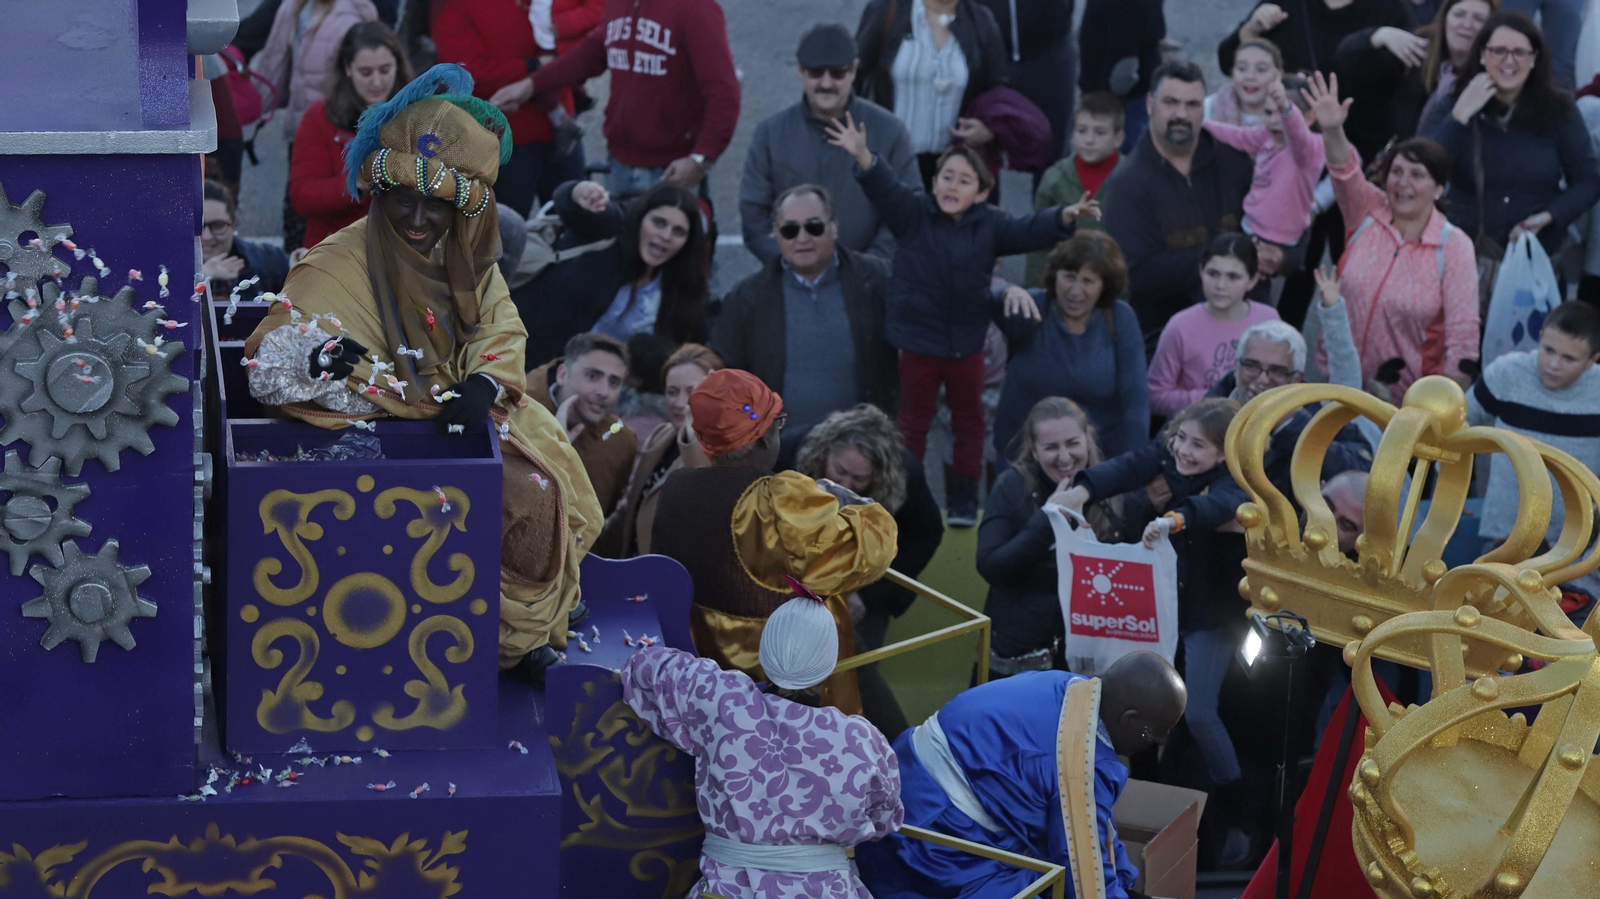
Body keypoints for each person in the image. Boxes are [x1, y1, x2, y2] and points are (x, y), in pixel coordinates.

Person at [242, 64, 602, 687]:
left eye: (435, 205)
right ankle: (506, 646)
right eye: (402, 200)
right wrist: (360, 377)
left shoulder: (459, 250)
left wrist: (485, 385)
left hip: (464, 420)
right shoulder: (335, 262)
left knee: (552, 474)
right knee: (526, 497)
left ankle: (532, 628)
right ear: (378, 196)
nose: (417, 219)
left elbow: (500, 324)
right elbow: (274, 361)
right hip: (375, 444)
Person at [828, 121, 1096, 527]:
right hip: (917, 344)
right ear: (933, 183)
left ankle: (965, 503)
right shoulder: (913, 213)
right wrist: (863, 155)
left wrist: (1065, 216)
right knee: (912, 426)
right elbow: (885, 188)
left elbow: (1028, 229)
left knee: (969, 425)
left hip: (965, 345)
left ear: (983, 192)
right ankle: (908, 498)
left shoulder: (991, 224)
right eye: (946, 177)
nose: (953, 186)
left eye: (965, 180)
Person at [1058, 398, 1254, 865]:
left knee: (1201, 713)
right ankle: (1144, 810)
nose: (1184, 450)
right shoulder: (1164, 457)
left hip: (1209, 616)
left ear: (1224, 453)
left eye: (1198, 445)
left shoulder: (1233, 479)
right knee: (1140, 705)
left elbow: (1221, 504)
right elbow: (1125, 468)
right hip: (1160, 614)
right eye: (1180, 438)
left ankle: (1238, 808)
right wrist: (1082, 491)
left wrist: (1173, 519)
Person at [620, 591, 903, 899]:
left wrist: (736, 691)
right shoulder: (861, 741)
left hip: (726, 891)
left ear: (764, 650)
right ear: (829, 663)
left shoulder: (722, 701)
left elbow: (644, 667)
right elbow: (885, 819)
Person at [650, 369, 897, 714]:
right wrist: (854, 503)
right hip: (781, 679)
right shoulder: (780, 502)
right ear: (766, 438)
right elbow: (871, 551)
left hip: (702, 675)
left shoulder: (677, 487)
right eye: (777, 424)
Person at [855, 652, 1188, 899]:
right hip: (934, 842)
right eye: (1157, 732)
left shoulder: (1071, 689)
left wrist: (1126, 883)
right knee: (1045, 888)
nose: (1159, 743)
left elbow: (1093, 826)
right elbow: (1087, 881)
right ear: (1130, 720)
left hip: (899, 792)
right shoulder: (1086, 764)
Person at [1301, 72, 1480, 394]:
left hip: (1404, 403)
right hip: (1337, 385)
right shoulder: (1367, 210)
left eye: (1416, 175)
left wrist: (1441, 408)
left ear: (1439, 189)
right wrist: (1332, 129)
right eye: (1396, 172)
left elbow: (1463, 336)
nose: (1402, 183)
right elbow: (1345, 170)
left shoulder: (1454, 246)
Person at [713, 185, 899, 459]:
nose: (802, 238)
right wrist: (755, 426)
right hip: (779, 456)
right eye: (790, 230)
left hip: (861, 455)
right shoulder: (747, 298)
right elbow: (724, 374)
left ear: (834, 226)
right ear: (776, 233)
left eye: (814, 227)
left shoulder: (877, 280)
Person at [796, 404, 945, 740]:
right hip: (794, 586)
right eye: (839, 470)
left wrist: (869, 593)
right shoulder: (794, 452)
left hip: (864, 591)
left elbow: (926, 537)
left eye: (859, 479)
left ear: (879, 477)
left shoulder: (906, 473)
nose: (843, 483)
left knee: (857, 684)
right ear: (824, 454)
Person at [1101, 61, 1255, 353]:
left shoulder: (1233, 161)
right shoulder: (1127, 184)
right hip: (1165, 340)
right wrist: (1227, 257)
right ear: (1150, 104)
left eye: (1192, 104)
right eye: (1170, 102)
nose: (1181, 115)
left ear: (1203, 108)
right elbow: (1138, 274)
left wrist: (1279, 253)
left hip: (1244, 331)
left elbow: (1272, 221)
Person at [740, 24, 921, 265]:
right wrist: (794, 267)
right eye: (816, 73)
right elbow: (754, 213)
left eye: (837, 73)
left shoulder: (891, 132)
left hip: (871, 284)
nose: (826, 83)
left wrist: (864, 269)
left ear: (854, 70)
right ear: (800, 69)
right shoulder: (769, 135)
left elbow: (908, 209)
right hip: (791, 282)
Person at [1425, 11, 1600, 259]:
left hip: (1534, 255)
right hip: (1463, 254)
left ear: (1534, 59)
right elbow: (1423, 168)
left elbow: (1588, 181)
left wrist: (1549, 216)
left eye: (1520, 52)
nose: (1509, 61)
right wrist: (1459, 116)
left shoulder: (1559, 109)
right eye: (1498, 51)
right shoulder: (1452, 103)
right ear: (1483, 55)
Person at [521, 0, 741, 196]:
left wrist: (700, 160)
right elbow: (590, 54)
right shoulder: (620, 4)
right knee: (617, 240)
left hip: (670, 172)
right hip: (619, 165)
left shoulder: (697, 8)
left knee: (668, 240)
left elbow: (724, 93)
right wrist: (531, 84)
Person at [978, 397, 1121, 677]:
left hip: (1091, 651)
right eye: (1051, 447)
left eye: (1072, 443)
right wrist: (1047, 519)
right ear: (1033, 449)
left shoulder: (1111, 485)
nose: (1065, 457)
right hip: (1020, 650)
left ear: (1088, 439)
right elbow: (990, 565)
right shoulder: (1012, 486)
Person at [1468, 301, 1600, 597]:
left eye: (1569, 358)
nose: (1553, 364)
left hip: (1579, 553)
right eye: (1548, 350)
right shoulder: (1506, 373)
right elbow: (1458, 425)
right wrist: (1452, 490)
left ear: (1592, 360)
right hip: (1504, 539)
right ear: (1539, 336)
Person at [514, 179, 709, 367]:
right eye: (658, 223)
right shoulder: (611, 233)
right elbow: (570, 206)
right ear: (641, 218)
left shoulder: (682, 286)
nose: (665, 236)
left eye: (678, 232)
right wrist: (578, 191)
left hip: (612, 390)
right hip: (535, 363)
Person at [994, 232, 1148, 464]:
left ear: (1104, 286)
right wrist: (1006, 291)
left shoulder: (1120, 319)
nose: (1075, 292)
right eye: (1069, 277)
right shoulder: (1034, 307)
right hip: (1025, 454)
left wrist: (1134, 466)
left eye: (1088, 281)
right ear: (1055, 276)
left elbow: (1136, 402)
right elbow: (979, 303)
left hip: (1096, 457)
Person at [432, 0, 590, 216]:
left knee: (574, 229)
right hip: (506, 147)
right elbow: (464, 71)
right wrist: (532, 67)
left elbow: (584, 41)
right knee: (504, 238)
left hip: (563, 134)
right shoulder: (456, 7)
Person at [256, 0, 380, 249]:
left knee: (316, 210)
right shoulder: (296, 8)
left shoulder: (349, 18)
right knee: (297, 212)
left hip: (333, 127)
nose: (377, 79)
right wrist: (259, 99)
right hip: (305, 127)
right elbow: (275, 57)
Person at [853, 0, 1010, 187]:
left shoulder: (981, 21)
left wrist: (988, 129)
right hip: (891, 160)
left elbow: (999, 89)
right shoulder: (887, 11)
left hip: (953, 170)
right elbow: (853, 75)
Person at [290, 21, 412, 249]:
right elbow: (302, 196)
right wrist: (357, 182)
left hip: (401, 249)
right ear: (347, 68)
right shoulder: (319, 117)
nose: (377, 82)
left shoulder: (418, 114)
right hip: (336, 248)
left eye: (385, 70)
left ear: (398, 65)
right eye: (365, 72)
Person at [596, 343, 720, 558]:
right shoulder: (661, 436)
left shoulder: (725, 448)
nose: (680, 402)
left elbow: (702, 489)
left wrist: (692, 432)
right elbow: (628, 511)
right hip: (636, 566)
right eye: (672, 392)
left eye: (691, 391)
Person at [1338, 0, 1497, 157]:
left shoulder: (1493, 77)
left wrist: (1460, 115)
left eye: (1479, 19)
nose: (1467, 24)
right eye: (1459, 14)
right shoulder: (1416, 51)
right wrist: (1377, 35)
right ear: (1444, 18)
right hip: (1396, 164)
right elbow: (1345, 61)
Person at [1147, 235, 1282, 417]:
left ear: (1252, 280)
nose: (1220, 285)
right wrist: (1212, 398)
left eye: (1233, 277)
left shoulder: (1268, 320)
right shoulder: (1180, 326)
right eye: (1213, 274)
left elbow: (1282, 382)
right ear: (1201, 271)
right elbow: (1154, 395)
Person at [1202, 78, 1325, 261]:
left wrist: (1287, 109)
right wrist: (1200, 122)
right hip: (1249, 227)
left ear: (1309, 117)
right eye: (1268, 112)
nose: (1274, 121)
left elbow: (1298, 135)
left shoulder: (1311, 148)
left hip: (1278, 242)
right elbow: (1238, 135)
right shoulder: (1267, 136)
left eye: (1281, 114)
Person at [525, 332, 638, 518]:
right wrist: (553, 447)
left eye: (614, 382)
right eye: (593, 376)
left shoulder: (622, 442)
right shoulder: (514, 414)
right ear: (562, 374)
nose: (604, 392)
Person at [1025, 91, 1126, 287]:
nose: (1088, 140)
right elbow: (1038, 243)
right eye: (1081, 130)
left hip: (1115, 287)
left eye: (1099, 132)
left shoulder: (1132, 178)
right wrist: (1035, 291)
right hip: (1065, 286)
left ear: (1118, 138)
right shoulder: (1054, 179)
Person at [972, 0, 1078, 166]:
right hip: (988, 52)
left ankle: (1048, 191)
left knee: (1053, 145)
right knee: (980, 146)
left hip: (1050, 52)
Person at [1219, 0, 1411, 80]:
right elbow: (1228, 61)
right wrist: (1253, 28)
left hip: (1366, 140)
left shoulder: (1389, 8)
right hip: (1292, 132)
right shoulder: (1288, 3)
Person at [1078, 0, 1167, 152]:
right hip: (1136, 87)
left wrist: (1104, 101)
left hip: (1120, 97)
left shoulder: (1120, 5)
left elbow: (1125, 66)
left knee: (1121, 155)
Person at [202, 180, 291, 298]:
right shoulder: (169, 266)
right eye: (197, 227)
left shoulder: (267, 259)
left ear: (233, 225)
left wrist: (300, 270)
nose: (207, 236)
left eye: (218, 225)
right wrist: (203, 277)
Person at [1206, 38, 1284, 125]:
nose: (1250, 77)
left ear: (1278, 75)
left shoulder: (1290, 114)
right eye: (1242, 68)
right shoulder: (1208, 108)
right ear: (1232, 72)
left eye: (1261, 69)